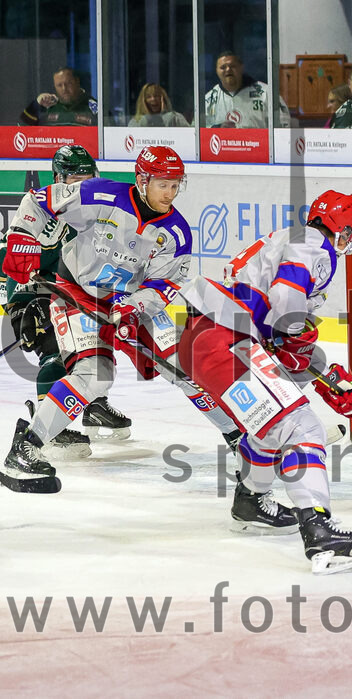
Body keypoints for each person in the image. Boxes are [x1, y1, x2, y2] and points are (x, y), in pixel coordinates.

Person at [0, 146, 239, 494]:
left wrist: (135, 307)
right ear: (142, 181)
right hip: (76, 294)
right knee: (94, 375)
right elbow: (39, 201)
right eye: (162, 184)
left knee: (186, 367)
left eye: (175, 185)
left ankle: (237, 436)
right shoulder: (101, 194)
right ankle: (27, 447)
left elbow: (165, 284)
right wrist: (22, 236)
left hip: (127, 302)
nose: (169, 193)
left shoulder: (178, 232)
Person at [176, 191, 352, 574]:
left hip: (209, 339)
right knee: (299, 425)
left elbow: (286, 341)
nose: (348, 242)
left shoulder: (288, 241)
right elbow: (287, 303)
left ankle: (250, 500)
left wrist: (330, 381)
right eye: (349, 233)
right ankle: (319, 528)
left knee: (268, 426)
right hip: (226, 339)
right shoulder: (316, 244)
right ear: (341, 229)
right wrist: (294, 342)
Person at [0, 145, 131, 456]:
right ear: (60, 177)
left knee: (94, 352)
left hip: (74, 292)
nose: (83, 183)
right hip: (35, 295)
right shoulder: (45, 209)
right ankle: (46, 427)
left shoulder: (95, 207)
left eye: (89, 176)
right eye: (76, 177)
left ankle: (92, 406)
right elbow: (14, 260)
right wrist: (21, 300)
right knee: (56, 353)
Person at [204, 51, 291, 128]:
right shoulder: (209, 99)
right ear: (216, 71)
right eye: (223, 67)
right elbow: (196, 131)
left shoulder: (266, 93)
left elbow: (284, 127)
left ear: (241, 67)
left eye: (232, 66)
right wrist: (217, 128)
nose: (228, 70)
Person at [20, 67, 98, 126]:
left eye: (68, 83)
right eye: (59, 85)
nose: (64, 89)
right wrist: (36, 104)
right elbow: (21, 128)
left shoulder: (93, 106)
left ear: (77, 82)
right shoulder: (48, 106)